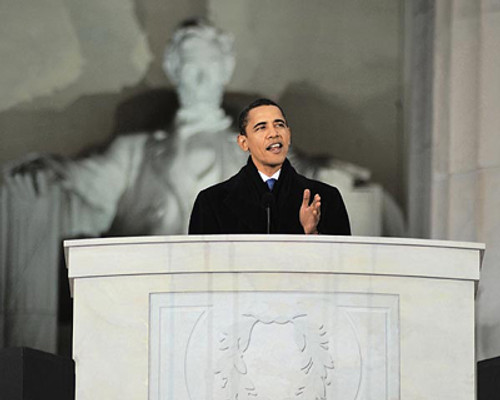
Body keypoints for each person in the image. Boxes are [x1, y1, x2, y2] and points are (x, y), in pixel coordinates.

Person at [189, 98, 351, 235]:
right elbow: (198, 265)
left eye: (279, 125)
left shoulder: (326, 199)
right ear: (243, 142)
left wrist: (311, 233)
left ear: (289, 135)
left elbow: (344, 265)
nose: (274, 133)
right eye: (262, 127)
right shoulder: (211, 203)